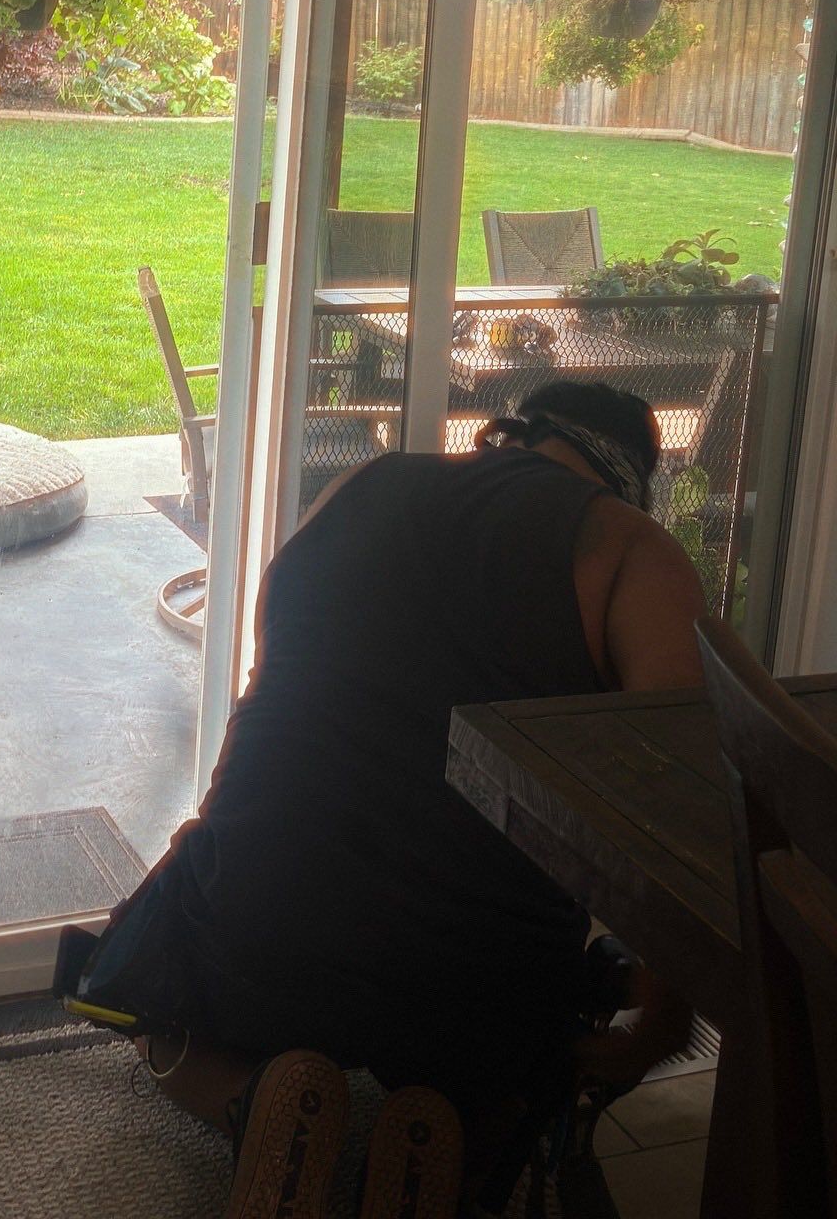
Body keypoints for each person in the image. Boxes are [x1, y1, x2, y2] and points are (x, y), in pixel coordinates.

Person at [68, 381, 707, 1219]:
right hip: (472, 974)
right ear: (629, 481)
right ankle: (445, 1134)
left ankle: (245, 1098)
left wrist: (200, 862)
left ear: (507, 435)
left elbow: (273, 705)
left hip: (263, 927)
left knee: (150, 1005)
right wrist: (666, 1015)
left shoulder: (357, 488)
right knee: (501, 1073)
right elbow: (679, 806)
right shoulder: (632, 550)